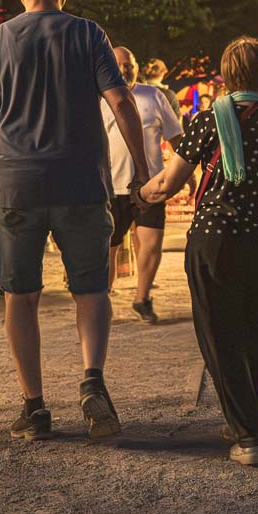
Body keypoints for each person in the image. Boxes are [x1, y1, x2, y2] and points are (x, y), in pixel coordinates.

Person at [0, 0, 149, 441]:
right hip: (83, 183)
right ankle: (92, 381)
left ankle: (35, 406)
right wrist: (144, 167)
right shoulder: (88, 34)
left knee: (20, 297)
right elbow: (121, 103)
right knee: (91, 289)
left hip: (17, 185)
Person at [139, 37, 258, 466]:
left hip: (218, 238)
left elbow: (170, 183)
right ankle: (241, 417)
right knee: (256, 333)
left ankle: (248, 437)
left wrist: (142, 191)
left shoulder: (208, 122)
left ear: (227, 77)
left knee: (220, 335)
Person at [103, 45, 183, 323]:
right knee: (108, 247)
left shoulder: (154, 95)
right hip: (112, 185)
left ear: (138, 66)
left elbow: (176, 138)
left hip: (150, 185)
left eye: (130, 64)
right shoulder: (100, 98)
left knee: (151, 243)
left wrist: (186, 174)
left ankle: (142, 298)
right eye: (120, 64)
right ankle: (103, 297)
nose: (125, 69)